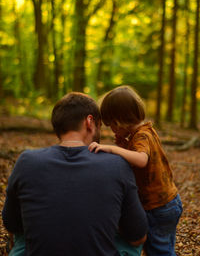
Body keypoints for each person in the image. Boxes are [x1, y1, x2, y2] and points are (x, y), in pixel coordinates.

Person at [2, 92, 148, 256]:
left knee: (22, 236)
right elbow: (138, 237)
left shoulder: (26, 161)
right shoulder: (117, 164)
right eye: (100, 125)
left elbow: (11, 223)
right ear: (89, 122)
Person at [89, 85, 183, 256]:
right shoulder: (146, 131)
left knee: (159, 251)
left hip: (158, 206)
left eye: (111, 125)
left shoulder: (141, 136)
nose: (112, 130)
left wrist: (112, 149)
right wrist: (125, 146)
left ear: (118, 121)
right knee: (163, 247)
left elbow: (141, 160)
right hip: (167, 202)